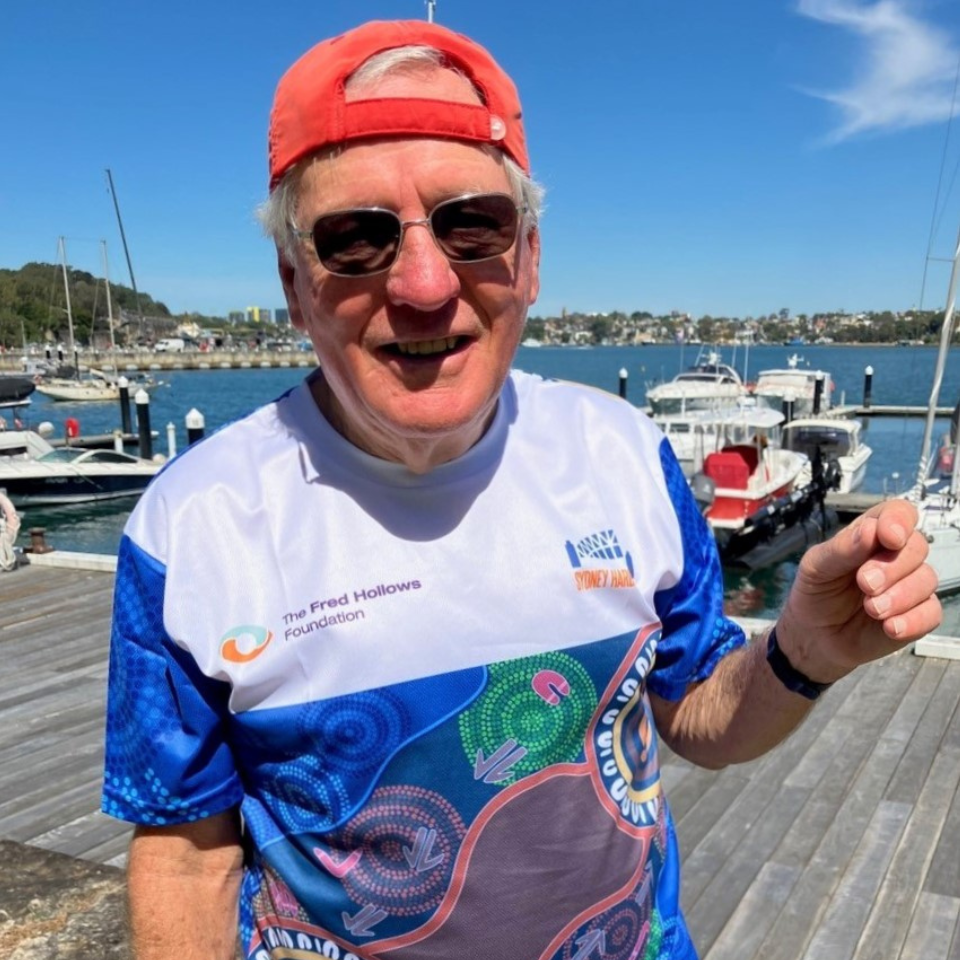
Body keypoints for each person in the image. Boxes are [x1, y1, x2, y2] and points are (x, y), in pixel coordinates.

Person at [101, 19, 941, 960]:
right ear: (294, 285)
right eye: (356, 240)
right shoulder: (193, 525)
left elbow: (696, 714)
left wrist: (801, 652)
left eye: (472, 226)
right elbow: (183, 854)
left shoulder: (624, 453)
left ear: (530, 259)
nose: (423, 285)